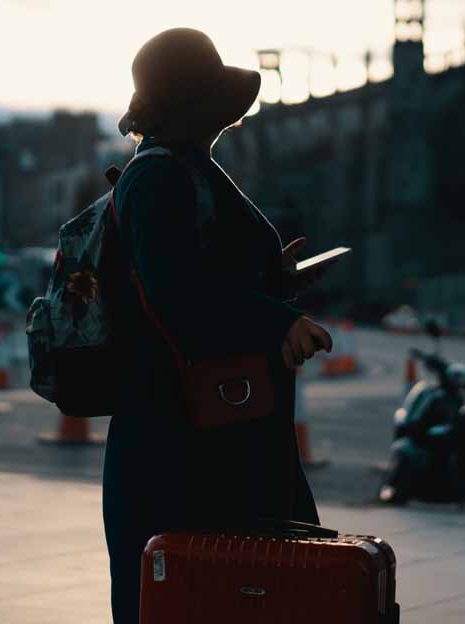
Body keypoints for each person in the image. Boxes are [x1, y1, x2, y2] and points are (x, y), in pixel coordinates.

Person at [104, 28, 334, 623]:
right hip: (183, 439)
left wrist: (274, 278)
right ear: (195, 105)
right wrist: (277, 318)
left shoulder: (189, 169)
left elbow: (207, 276)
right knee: (186, 596)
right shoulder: (158, 178)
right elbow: (178, 296)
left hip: (215, 425)